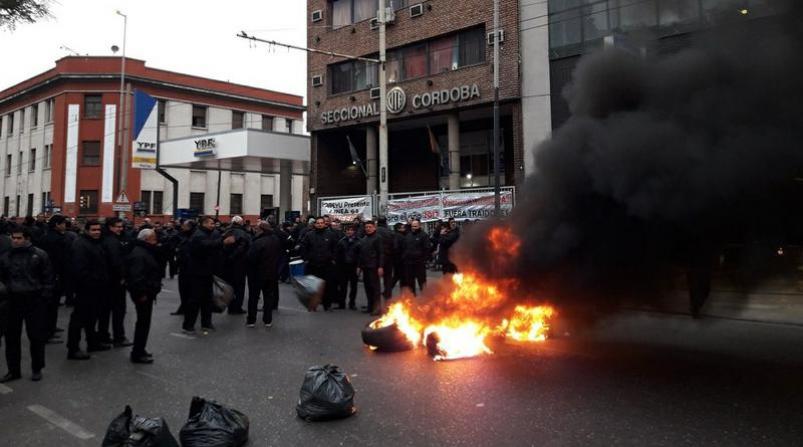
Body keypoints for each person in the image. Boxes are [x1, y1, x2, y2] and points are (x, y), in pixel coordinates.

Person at [0, 227, 54, 382]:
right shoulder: (6, 256)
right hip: (12, 300)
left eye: (19, 238)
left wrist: (44, 297)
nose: (15, 241)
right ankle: (13, 370)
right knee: (11, 338)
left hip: (34, 300)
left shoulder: (39, 255)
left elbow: (48, 278)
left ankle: (37, 368)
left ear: (27, 239)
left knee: (36, 336)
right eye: (13, 238)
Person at [183, 216, 234, 334]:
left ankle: (206, 323)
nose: (213, 225)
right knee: (195, 300)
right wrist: (223, 241)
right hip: (197, 273)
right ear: (204, 224)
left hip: (206, 272)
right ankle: (188, 325)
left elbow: (212, 247)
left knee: (207, 299)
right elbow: (206, 246)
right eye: (211, 223)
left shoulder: (207, 234)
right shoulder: (199, 235)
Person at [67, 220, 110, 360]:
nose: (97, 232)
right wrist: (91, 282)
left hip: (97, 288)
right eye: (93, 230)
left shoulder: (95, 243)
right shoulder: (81, 244)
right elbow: (79, 269)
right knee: (78, 319)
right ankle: (73, 348)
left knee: (92, 317)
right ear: (86, 230)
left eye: (98, 229)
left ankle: (92, 343)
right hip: (85, 288)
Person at [124, 229, 162, 364]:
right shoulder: (140, 254)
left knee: (144, 322)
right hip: (143, 294)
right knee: (143, 323)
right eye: (153, 239)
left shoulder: (142, 251)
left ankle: (140, 349)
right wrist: (142, 293)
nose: (156, 241)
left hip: (146, 292)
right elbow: (136, 277)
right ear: (146, 239)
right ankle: (138, 352)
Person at [98, 217, 132, 348]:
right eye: (118, 226)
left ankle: (104, 336)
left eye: (121, 226)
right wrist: (123, 276)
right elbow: (117, 261)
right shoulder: (112, 241)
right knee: (118, 310)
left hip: (106, 280)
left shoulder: (105, 239)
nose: (121, 229)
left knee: (105, 311)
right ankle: (119, 337)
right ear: (110, 227)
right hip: (115, 281)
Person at [246, 222, 281, 327]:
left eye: (257, 228)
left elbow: (251, 258)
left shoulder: (258, 242)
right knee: (268, 297)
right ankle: (268, 320)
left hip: (257, 274)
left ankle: (251, 320)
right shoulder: (275, 239)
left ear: (261, 229)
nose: (255, 230)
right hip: (271, 273)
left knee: (253, 297)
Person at [40, 215, 69, 343]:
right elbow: (60, 259)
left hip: (50, 274)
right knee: (51, 305)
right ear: (57, 225)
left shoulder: (47, 236)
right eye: (63, 223)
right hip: (54, 275)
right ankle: (47, 333)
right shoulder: (57, 239)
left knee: (52, 304)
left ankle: (51, 328)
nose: (65, 226)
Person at [299, 217, 338, 311]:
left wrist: (333, 259)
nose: (320, 224)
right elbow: (304, 247)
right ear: (315, 224)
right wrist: (306, 259)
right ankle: (313, 305)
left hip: (327, 264)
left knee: (327, 286)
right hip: (313, 264)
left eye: (322, 223)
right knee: (313, 286)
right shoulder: (309, 235)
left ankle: (327, 304)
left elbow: (335, 248)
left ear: (325, 224)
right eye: (318, 223)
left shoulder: (331, 235)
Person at [222, 216, 250, 315]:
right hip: (240, 263)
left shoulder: (226, 232)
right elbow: (244, 248)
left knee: (230, 285)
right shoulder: (243, 233)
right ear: (241, 223)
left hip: (227, 263)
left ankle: (230, 306)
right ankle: (237, 307)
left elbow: (222, 246)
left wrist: (228, 258)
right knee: (239, 286)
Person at [356, 220, 384, 315]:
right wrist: (359, 266)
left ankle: (377, 308)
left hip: (374, 267)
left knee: (375, 288)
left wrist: (380, 266)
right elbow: (361, 254)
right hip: (365, 267)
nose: (368, 229)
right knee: (367, 287)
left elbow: (381, 253)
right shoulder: (364, 239)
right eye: (366, 227)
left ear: (374, 227)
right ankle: (370, 306)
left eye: (370, 227)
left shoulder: (378, 238)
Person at [172, 220, 196, 315]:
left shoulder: (193, 237)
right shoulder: (183, 235)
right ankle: (184, 307)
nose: (182, 227)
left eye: (184, 226)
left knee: (188, 290)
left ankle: (189, 309)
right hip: (183, 267)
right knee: (183, 290)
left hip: (189, 268)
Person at [401, 219, 431, 295]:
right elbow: (405, 247)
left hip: (419, 263)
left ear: (419, 226)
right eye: (412, 226)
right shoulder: (408, 235)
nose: (413, 228)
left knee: (422, 283)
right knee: (410, 283)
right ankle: (413, 300)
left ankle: (425, 300)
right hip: (409, 264)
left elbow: (427, 249)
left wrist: (424, 260)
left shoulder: (424, 235)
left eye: (415, 226)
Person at [335, 225, 359, 310]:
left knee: (353, 286)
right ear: (345, 232)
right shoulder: (341, 242)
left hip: (354, 266)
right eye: (348, 230)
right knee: (342, 286)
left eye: (351, 230)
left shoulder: (358, 241)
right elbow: (337, 255)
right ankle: (342, 304)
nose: (349, 232)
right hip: (343, 267)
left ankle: (352, 303)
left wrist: (359, 266)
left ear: (354, 231)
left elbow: (361, 255)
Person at [376, 217, 397, 301]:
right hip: (388, 258)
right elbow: (395, 246)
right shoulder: (390, 232)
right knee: (388, 279)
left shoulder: (375, 231)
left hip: (376, 258)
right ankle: (388, 297)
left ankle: (375, 302)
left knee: (374, 280)